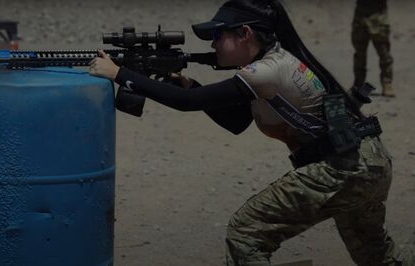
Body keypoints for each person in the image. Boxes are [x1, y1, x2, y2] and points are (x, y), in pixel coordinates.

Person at [89, 0, 412, 265]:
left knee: (246, 232)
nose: (214, 44)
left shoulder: (265, 71)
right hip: (366, 161)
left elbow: (187, 104)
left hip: (344, 168)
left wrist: (119, 73)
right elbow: (237, 122)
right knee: (376, 256)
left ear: (244, 34)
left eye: (218, 35)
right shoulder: (275, 63)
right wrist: (189, 83)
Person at [352, 0, 394, 97]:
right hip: (361, 14)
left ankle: (387, 83)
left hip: (379, 15)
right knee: (359, 54)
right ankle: (358, 83)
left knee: (384, 52)